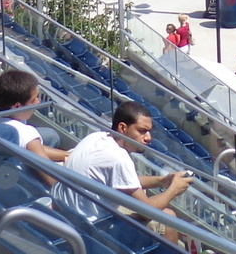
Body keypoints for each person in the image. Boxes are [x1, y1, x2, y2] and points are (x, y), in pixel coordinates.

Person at [65, 101, 194, 242]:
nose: (148, 138)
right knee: (168, 217)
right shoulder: (118, 158)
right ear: (122, 128)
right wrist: (174, 189)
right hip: (90, 227)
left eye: (149, 131)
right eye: (142, 131)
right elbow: (147, 212)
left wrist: (162, 181)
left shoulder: (96, 137)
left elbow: (124, 180)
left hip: (67, 212)